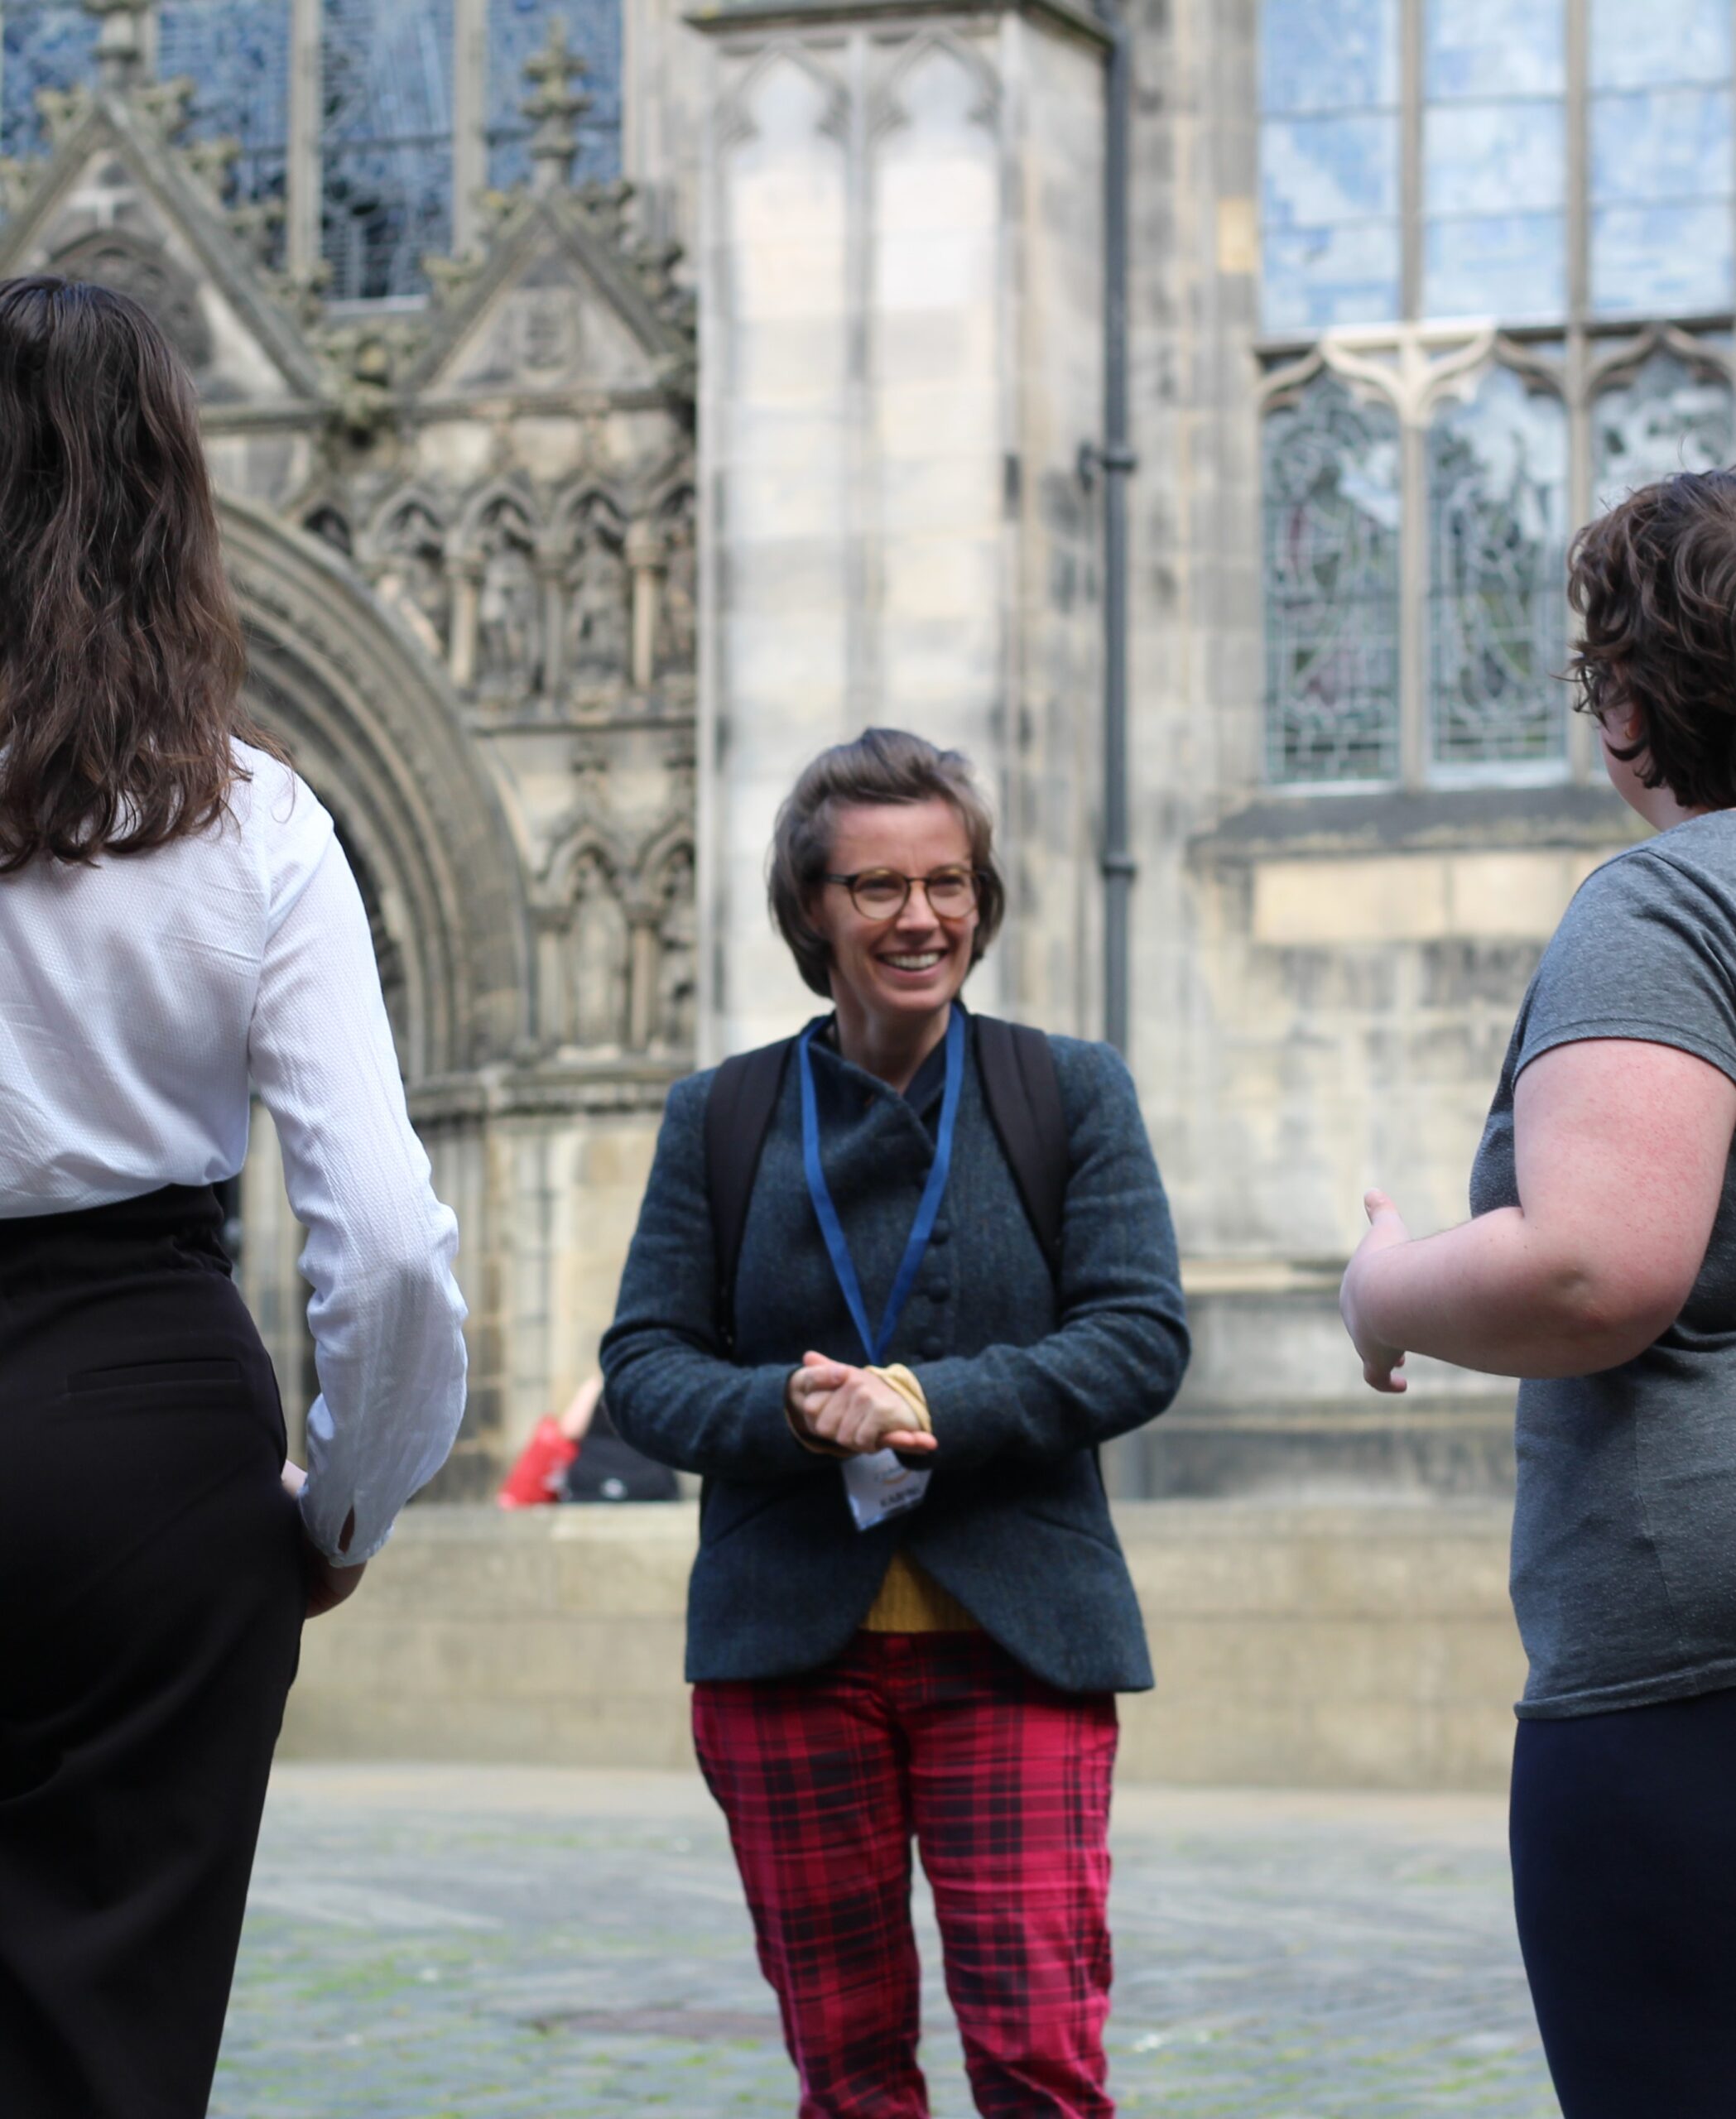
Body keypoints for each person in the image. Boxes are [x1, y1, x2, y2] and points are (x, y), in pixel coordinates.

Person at [0, 276, 469, 2118]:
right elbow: (387, 1238)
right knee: (112, 2021)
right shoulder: (254, 818)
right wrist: (345, 1503)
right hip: (146, 1431)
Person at [603, 728, 1190, 2118]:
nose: (919, 917)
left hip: (1018, 1641)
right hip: (787, 1651)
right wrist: (789, 1414)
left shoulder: (1066, 1092)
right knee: (847, 2071)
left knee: (1041, 2059)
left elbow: (1139, 1338)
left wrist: (929, 1401)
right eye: (875, 888)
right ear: (812, 909)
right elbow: (643, 1365)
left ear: (980, 899)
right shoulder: (722, 1116)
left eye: (948, 883)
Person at [1339, 469, 1736, 2118]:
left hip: (1688, 1679)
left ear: (1627, 702)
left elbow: (1589, 1266)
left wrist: (1386, 1289)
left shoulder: (1663, 899)